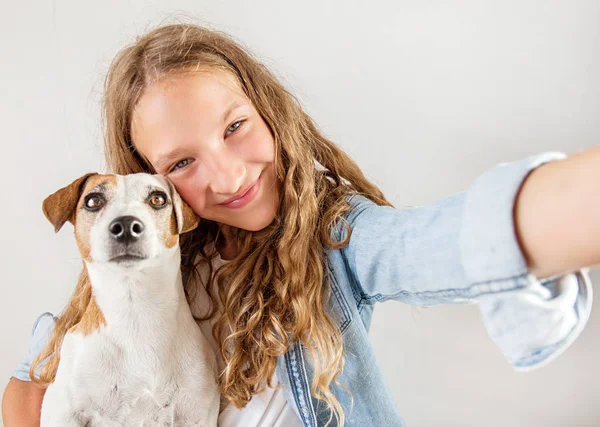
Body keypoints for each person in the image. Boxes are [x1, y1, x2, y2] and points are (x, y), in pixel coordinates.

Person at [2, 23, 597, 427]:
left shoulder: (339, 239)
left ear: (268, 108)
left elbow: (442, 242)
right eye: (181, 163)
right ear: (147, 185)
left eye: (234, 127)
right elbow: (35, 382)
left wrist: (567, 206)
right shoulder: (147, 267)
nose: (229, 175)